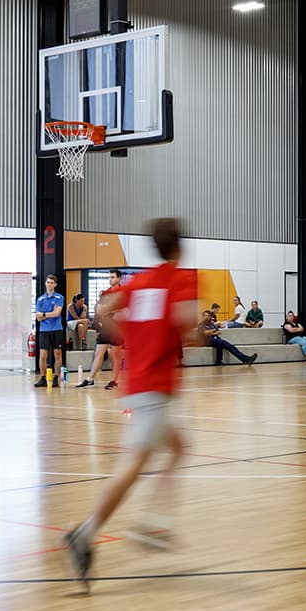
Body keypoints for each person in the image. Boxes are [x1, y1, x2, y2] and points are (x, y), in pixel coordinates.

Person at [63, 218, 200, 589]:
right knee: (132, 466)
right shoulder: (182, 281)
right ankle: (86, 532)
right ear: (179, 247)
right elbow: (188, 328)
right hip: (157, 385)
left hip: (139, 382)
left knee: (178, 448)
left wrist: (132, 337)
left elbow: (104, 309)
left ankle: (157, 523)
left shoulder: (138, 283)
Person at [81, 280, 124, 390]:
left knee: (115, 354)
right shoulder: (103, 300)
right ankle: (90, 379)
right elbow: (99, 312)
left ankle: (115, 381)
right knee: (99, 352)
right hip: (106, 328)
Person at [34, 275, 66, 387]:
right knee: (43, 355)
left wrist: (43, 315)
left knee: (57, 354)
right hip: (44, 330)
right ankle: (43, 378)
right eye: (48, 282)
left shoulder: (59, 297)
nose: (50, 284)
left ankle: (56, 377)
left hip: (57, 329)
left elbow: (57, 314)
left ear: (55, 284)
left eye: (52, 282)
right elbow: (38, 317)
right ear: (45, 284)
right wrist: (49, 314)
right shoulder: (40, 299)